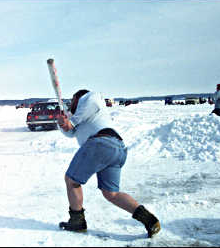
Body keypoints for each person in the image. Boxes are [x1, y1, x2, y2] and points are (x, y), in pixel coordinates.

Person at [57, 89, 160, 238]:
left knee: (71, 180)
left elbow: (93, 98)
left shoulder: (89, 98)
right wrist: (63, 123)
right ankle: (149, 220)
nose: (71, 102)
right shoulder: (83, 117)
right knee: (111, 194)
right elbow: (70, 132)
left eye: (73, 99)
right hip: (116, 149)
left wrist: (71, 121)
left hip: (100, 144)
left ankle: (77, 222)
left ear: (79, 97)